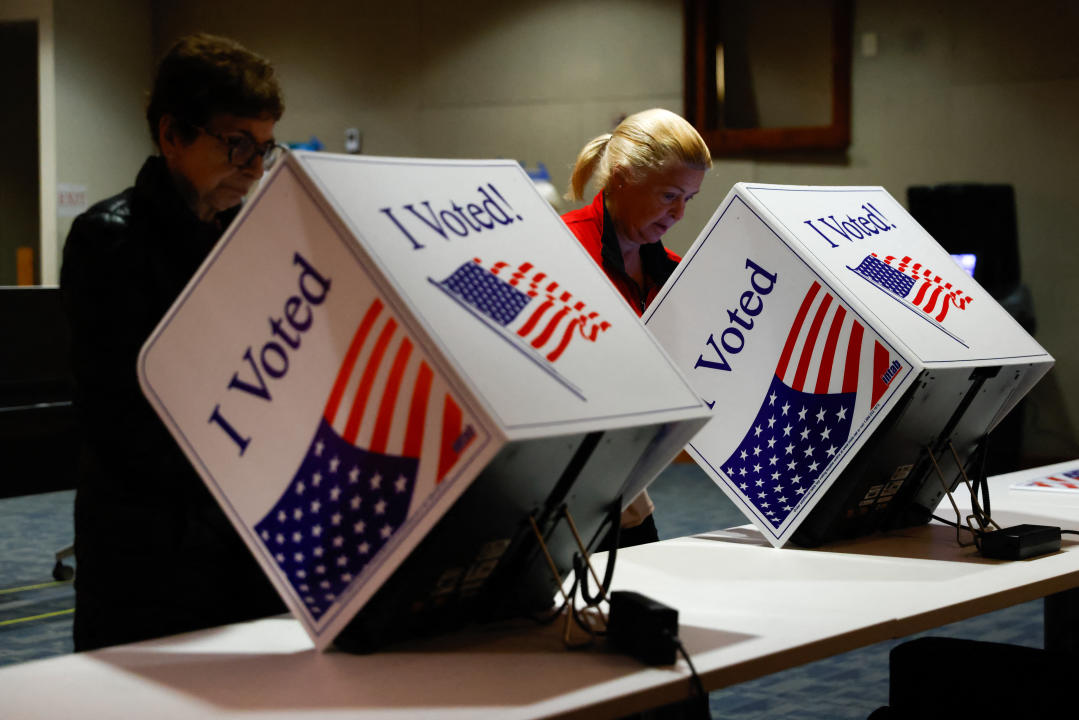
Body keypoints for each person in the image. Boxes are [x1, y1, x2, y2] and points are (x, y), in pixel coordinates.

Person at [60, 33, 288, 651]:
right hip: (152, 549)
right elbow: (124, 423)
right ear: (172, 136)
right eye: (237, 144)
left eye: (265, 149)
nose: (253, 167)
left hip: (237, 531)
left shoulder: (250, 236)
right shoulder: (110, 238)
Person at [562, 108, 712, 548]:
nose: (680, 213)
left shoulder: (672, 273)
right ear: (623, 178)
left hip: (625, 487)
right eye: (669, 196)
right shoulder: (561, 252)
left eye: (689, 198)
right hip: (561, 486)